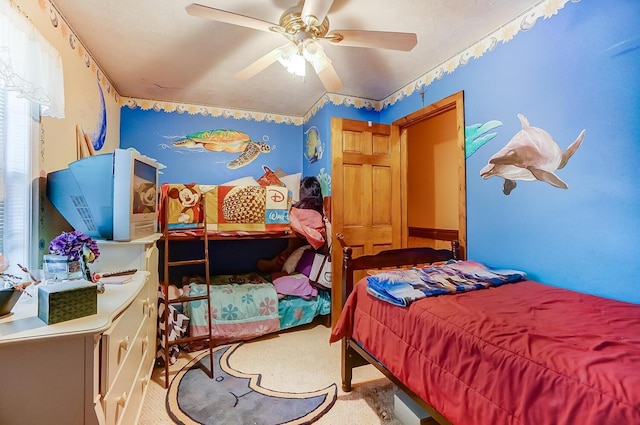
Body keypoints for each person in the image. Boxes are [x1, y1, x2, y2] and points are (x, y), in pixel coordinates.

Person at [257, 176, 327, 273]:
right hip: (307, 232)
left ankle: (279, 260)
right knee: (295, 244)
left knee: (294, 243)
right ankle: (281, 258)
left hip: (300, 225)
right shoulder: (318, 212)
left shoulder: (298, 210)